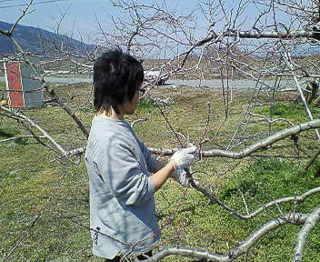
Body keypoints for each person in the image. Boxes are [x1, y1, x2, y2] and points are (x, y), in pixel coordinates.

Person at [85, 49, 196, 261]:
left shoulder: (115, 124)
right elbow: (137, 191)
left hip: (131, 235)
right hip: (125, 244)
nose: (139, 95)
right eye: (136, 90)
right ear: (121, 92)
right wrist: (172, 165)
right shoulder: (109, 140)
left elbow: (143, 156)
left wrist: (173, 170)